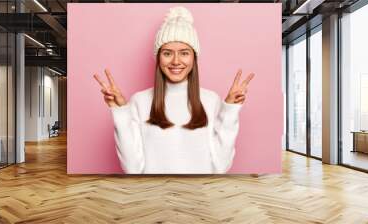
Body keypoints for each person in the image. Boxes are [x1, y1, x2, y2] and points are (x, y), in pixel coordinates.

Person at [93, 6, 254, 174]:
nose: (176, 61)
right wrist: (120, 112)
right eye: (168, 53)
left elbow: (221, 166)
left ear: (194, 57)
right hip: (154, 196)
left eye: (184, 53)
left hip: (200, 197)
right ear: (158, 57)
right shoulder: (139, 101)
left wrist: (230, 111)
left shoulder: (211, 100)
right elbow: (132, 168)